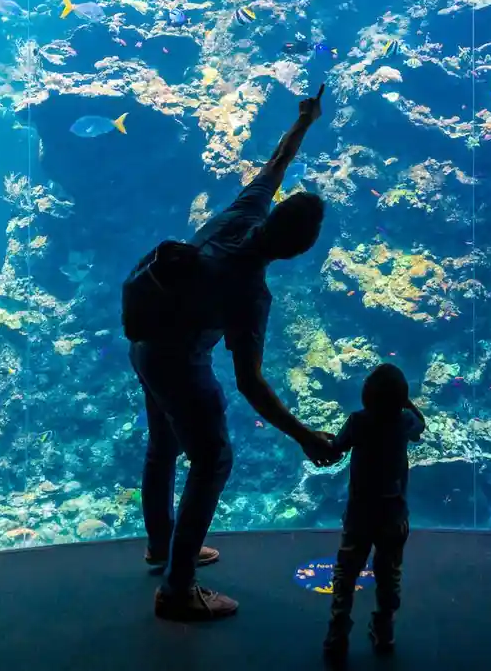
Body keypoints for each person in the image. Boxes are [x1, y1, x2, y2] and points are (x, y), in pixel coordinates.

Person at [122, 85, 340, 622]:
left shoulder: (239, 214)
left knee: (163, 447)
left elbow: (276, 163)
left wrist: (305, 120)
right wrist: (305, 435)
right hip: (179, 366)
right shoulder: (250, 293)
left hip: (144, 347)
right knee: (212, 459)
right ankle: (176, 589)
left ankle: (162, 543)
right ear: (299, 251)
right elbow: (251, 383)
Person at [323, 363, 426, 662]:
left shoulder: (358, 421)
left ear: (365, 395)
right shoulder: (404, 420)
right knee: (389, 572)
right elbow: (422, 424)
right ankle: (384, 630)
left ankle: (337, 634)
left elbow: (338, 448)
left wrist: (322, 443)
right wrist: (407, 403)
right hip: (394, 514)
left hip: (359, 515)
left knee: (346, 572)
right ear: (401, 399)